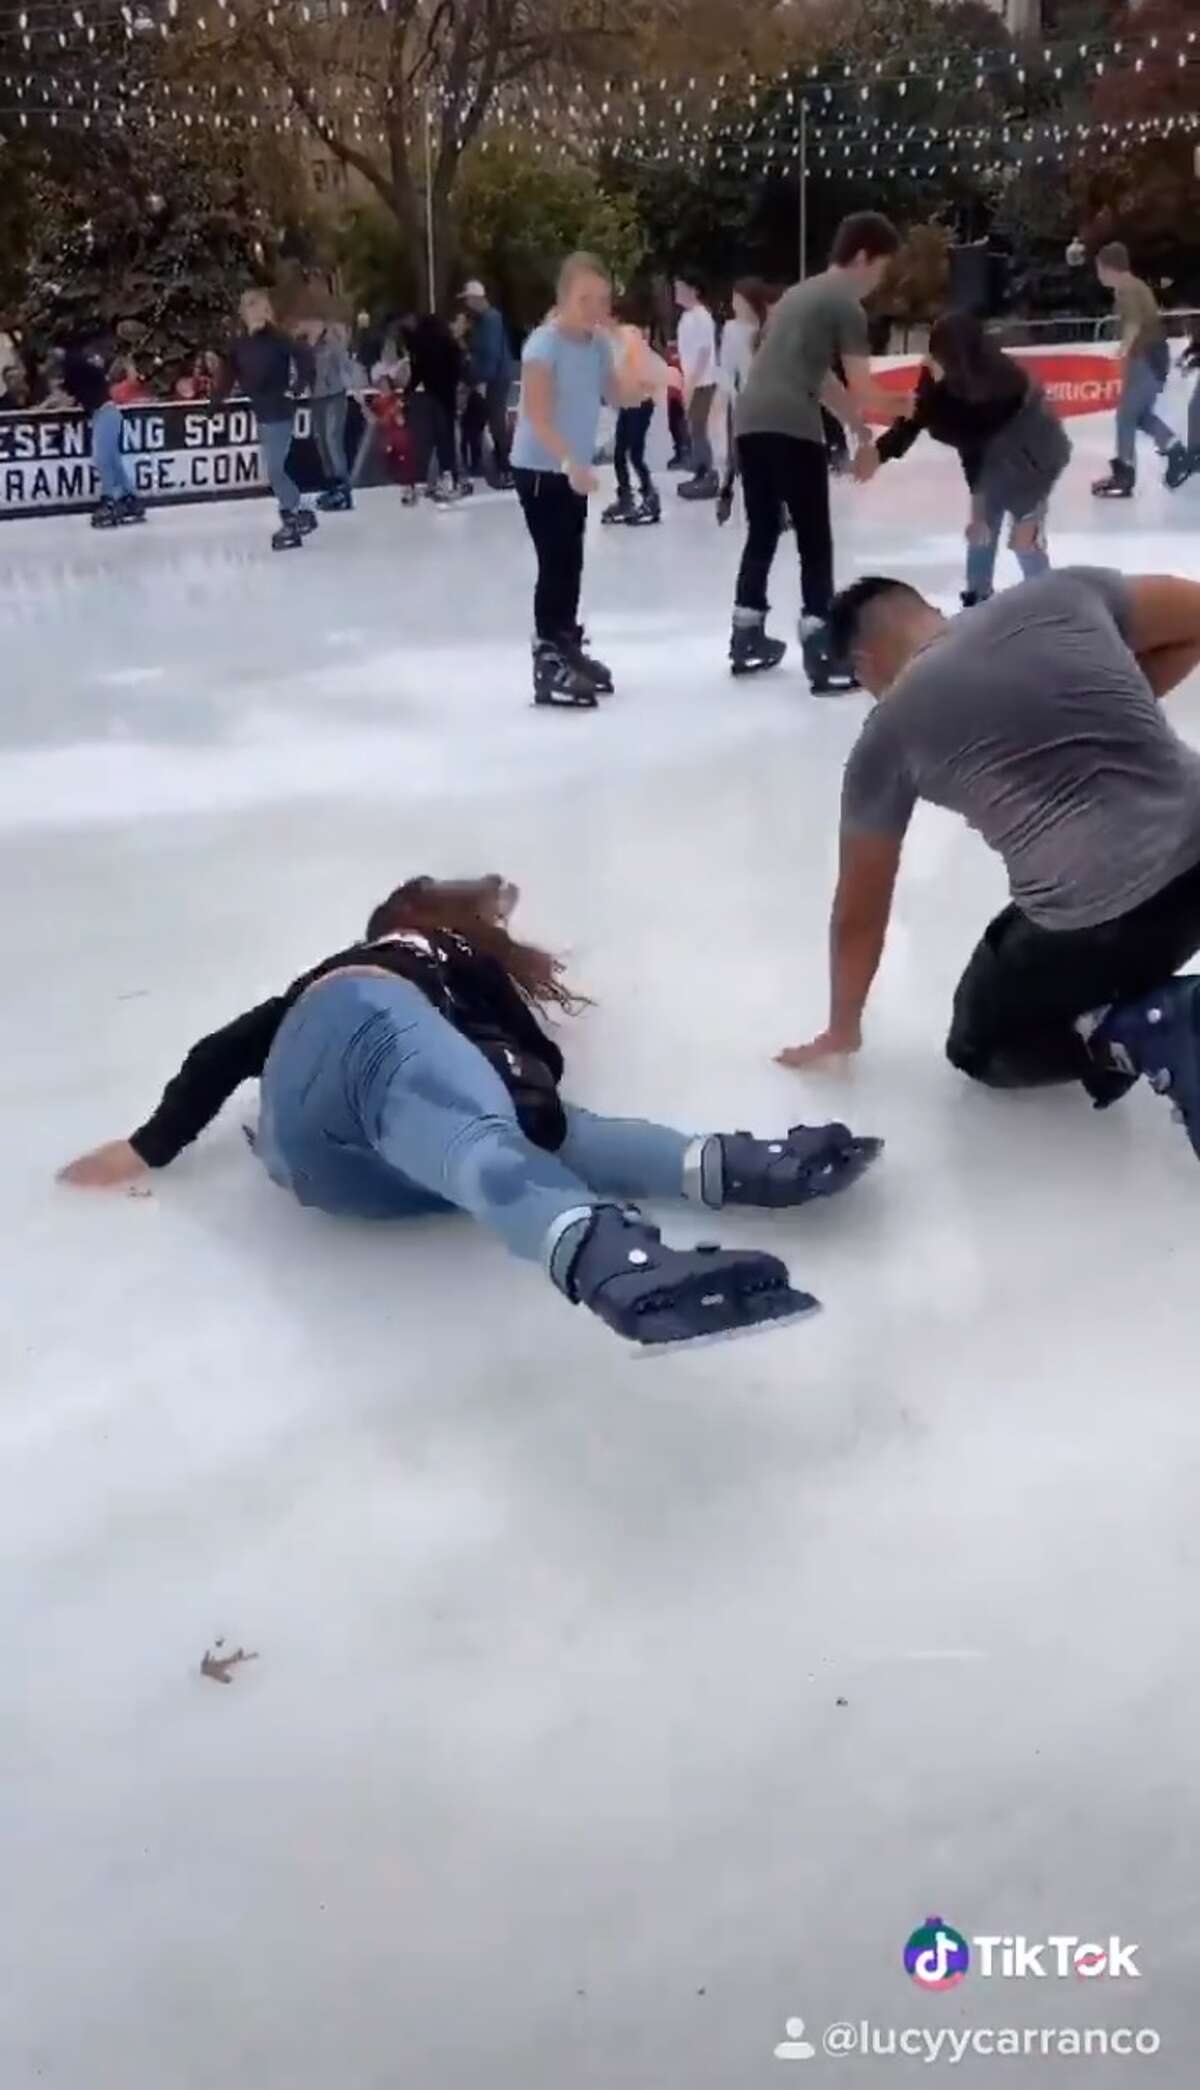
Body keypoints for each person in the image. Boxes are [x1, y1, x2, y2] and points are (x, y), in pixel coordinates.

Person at [59, 873, 880, 1351]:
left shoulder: (394, 996)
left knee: (497, 1132)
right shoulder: (424, 956)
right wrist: (145, 1146)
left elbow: (221, 1052)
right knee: (499, 1116)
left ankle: (727, 1166)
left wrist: (148, 1149)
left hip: (347, 1178)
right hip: (357, 1049)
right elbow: (536, 1062)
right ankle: (613, 1259)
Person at [776, 568, 1200, 1165]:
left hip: (1103, 918)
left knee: (981, 1046)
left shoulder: (888, 734)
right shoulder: (1062, 594)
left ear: (865, 662)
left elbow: (860, 910)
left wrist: (841, 1027)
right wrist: (1112, 705)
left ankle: (1145, 1027)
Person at [729, 211, 902, 688]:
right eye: (881, 269)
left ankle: (746, 633)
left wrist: (857, 427)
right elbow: (864, 387)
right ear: (863, 257)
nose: (879, 281)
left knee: (763, 528)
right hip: (792, 424)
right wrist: (907, 404)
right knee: (814, 536)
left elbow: (821, 377)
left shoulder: (795, 297)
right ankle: (821, 644)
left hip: (750, 420)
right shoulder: (845, 306)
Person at [859, 310, 1071, 607]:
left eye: (935, 353)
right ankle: (977, 596)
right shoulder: (940, 374)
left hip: (1032, 461)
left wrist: (1007, 507)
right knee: (982, 530)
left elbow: (975, 446)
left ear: (956, 357)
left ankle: (1049, 603)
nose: (925, 361)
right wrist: (880, 452)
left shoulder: (1002, 385)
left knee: (1023, 539)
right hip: (993, 459)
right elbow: (918, 414)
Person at [510, 251, 645, 709]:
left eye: (602, 300)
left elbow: (617, 393)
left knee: (572, 560)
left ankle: (565, 641)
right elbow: (538, 415)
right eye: (585, 299)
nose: (594, 309)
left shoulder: (597, 346)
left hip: (573, 471)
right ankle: (547, 656)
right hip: (539, 469)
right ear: (563, 297)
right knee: (555, 560)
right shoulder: (543, 346)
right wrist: (570, 462)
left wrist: (648, 379)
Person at [214, 292, 317, 552]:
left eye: (258, 306)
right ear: (244, 313)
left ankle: (296, 511)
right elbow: (227, 376)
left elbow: (305, 357)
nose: (254, 312)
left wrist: (298, 386)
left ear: (266, 310)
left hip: (280, 411)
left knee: (275, 470)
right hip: (262, 413)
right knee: (274, 469)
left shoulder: (278, 338)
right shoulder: (240, 345)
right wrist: (214, 404)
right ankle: (295, 513)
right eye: (249, 307)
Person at [1092, 243, 1187, 498]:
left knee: (1126, 416)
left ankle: (1124, 474)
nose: (1098, 275)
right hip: (1152, 357)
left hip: (1146, 357)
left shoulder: (1126, 287)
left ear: (1109, 267)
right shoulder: (1133, 285)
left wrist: (1123, 349)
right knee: (1139, 415)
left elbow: (1134, 322)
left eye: (1099, 269)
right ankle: (1176, 451)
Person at [62, 342, 147, 528]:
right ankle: (130, 498)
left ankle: (111, 499)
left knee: (103, 458)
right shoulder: (89, 378)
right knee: (112, 459)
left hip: (105, 414)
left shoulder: (78, 371)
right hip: (107, 414)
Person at [716, 279, 779, 527]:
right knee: (739, 455)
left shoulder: (768, 327)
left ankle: (776, 508)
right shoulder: (731, 329)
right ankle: (728, 493)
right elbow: (726, 368)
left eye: (738, 299)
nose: (734, 304)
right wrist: (733, 394)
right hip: (742, 401)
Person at [601, 299, 668, 528]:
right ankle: (625, 497)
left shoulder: (628, 336)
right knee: (620, 453)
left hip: (641, 401)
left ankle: (650, 497)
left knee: (635, 454)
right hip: (630, 402)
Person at [404, 310, 466, 501]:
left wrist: (408, 392)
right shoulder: (450, 345)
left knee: (428, 440)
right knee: (447, 440)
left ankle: (424, 481)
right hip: (447, 396)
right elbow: (459, 369)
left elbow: (417, 373)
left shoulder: (419, 346)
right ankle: (449, 478)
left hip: (430, 395)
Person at [460, 279, 515, 488]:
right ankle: (485, 466)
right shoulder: (484, 320)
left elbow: (490, 352)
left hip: (493, 379)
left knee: (496, 423)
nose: (466, 305)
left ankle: (505, 469)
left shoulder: (490, 320)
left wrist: (482, 379)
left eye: (468, 300)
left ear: (476, 299)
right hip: (489, 378)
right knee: (478, 422)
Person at [305, 316, 361, 513]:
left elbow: (346, 365)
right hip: (316, 398)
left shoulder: (332, 343)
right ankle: (332, 487)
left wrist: (357, 390)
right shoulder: (307, 347)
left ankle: (343, 490)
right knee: (321, 442)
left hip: (334, 396)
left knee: (332, 440)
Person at [674, 271, 719, 501]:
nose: (677, 293)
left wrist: (690, 383)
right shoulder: (688, 316)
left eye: (681, 288)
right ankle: (700, 470)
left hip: (702, 382)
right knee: (694, 427)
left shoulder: (701, 316)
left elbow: (704, 352)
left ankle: (707, 473)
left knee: (698, 428)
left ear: (693, 290)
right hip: (693, 380)